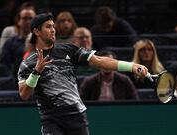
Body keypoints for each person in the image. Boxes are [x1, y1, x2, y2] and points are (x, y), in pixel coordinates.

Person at [17, 12, 148, 135]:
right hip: (51, 120)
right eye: (48, 27)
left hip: (77, 117)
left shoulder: (68, 50)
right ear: (36, 31)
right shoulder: (27, 64)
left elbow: (100, 60)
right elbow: (24, 94)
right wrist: (36, 72)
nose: (53, 30)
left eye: (53, 26)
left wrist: (132, 66)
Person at [0, 6, 36, 89]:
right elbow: (5, 65)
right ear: (19, 21)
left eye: (31, 18)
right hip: (16, 81)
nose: (28, 21)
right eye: (25, 18)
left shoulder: (43, 41)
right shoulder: (10, 43)